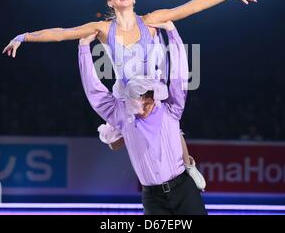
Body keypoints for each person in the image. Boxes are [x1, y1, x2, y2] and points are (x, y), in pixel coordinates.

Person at [2, 0, 257, 189]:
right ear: (110, 2)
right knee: (114, 142)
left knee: (170, 124)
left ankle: (187, 165)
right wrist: (23, 37)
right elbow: (61, 33)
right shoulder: (101, 28)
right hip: (127, 95)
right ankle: (135, 144)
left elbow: (191, 7)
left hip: (153, 91)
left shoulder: (151, 20)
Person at [78, 21, 207, 215]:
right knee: (115, 142)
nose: (143, 106)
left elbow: (179, 76)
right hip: (153, 197)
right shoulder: (125, 114)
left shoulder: (169, 109)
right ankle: (188, 165)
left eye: (147, 101)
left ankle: (189, 166)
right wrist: (84, 49)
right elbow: (94, 92)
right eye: (139, 102)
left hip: (183, 189)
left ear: (153, 97)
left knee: (175, 130)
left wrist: (173, 33)